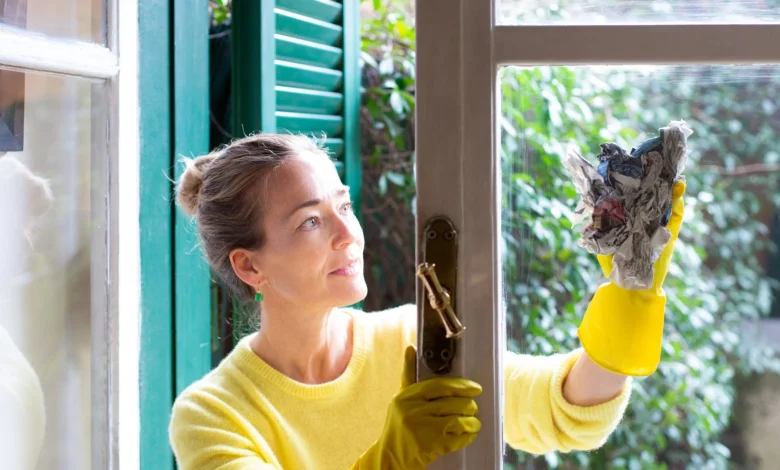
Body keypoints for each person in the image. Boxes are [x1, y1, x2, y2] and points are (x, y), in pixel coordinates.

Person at [168, 134, 686, 469]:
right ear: (249, 266)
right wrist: (391, 457)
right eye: (310, 221)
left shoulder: (416, 338)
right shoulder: (212, 415)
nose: (349, 235)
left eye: (344, 206)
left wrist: (632, 291)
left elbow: (562, 409)